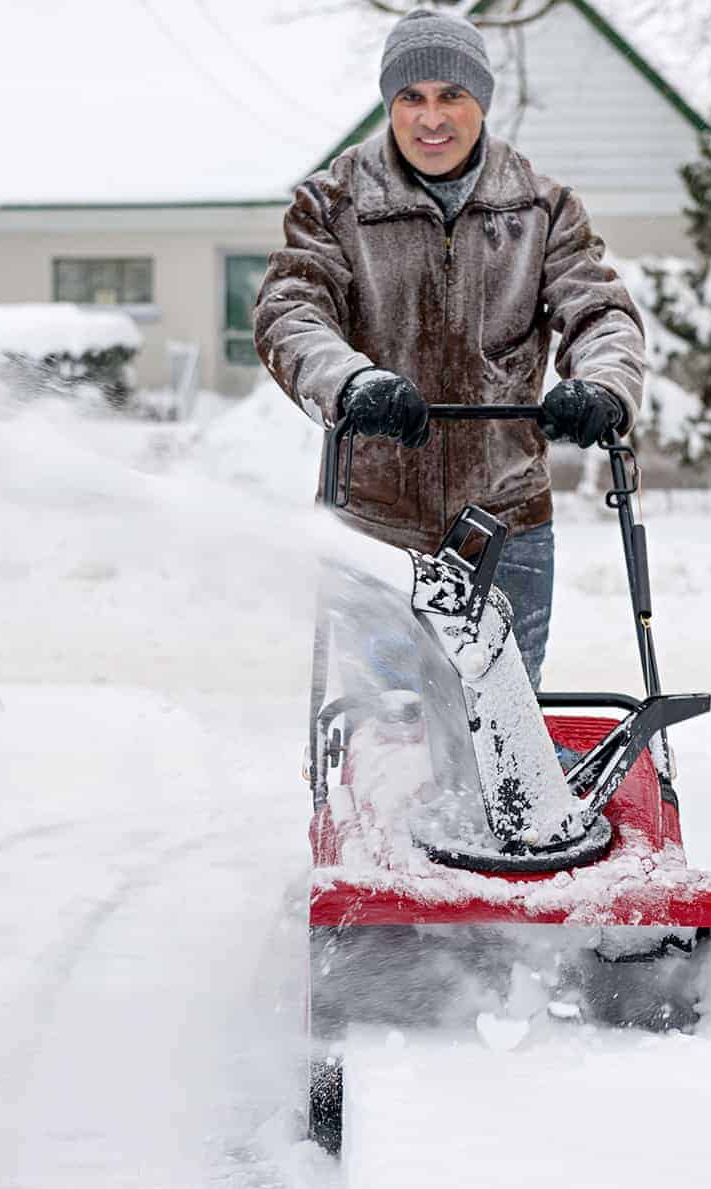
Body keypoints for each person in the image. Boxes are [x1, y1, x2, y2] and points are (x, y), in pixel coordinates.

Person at [254, 8, 645, 688]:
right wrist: (352, 383)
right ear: (390, 104)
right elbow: (291, 312)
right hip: (374, 522)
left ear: (480, 103)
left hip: (506, 517)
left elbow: (599, 311)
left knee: (500, 725)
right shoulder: (334, 203)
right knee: (390, 721)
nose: (430, 118)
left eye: (450, 96)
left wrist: (602, 388)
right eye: (411, 97)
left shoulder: (539, 208)